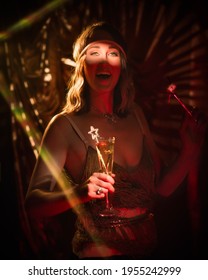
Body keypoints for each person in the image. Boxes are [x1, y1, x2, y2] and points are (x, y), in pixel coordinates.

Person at [25, 21, 206, 259]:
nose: (104, 61)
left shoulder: (136, 115)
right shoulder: (64, 125)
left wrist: (190, 149)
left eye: (113, 53)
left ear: (121, 65)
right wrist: (81, 193)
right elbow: (33, 205)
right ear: (82, 65)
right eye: (94, 53)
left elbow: (161, 189)